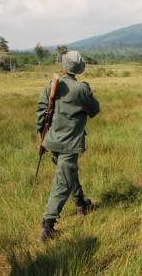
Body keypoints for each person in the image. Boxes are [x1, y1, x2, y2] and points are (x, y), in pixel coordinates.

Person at [36, 50, 100, 242]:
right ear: (78, 69)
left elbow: (42, 112)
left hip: (52, 141)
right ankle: (47, 227)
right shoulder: (81, 88)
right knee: (62, 183)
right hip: (69, 143)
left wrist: (42, 138)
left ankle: (81, 204)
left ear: (63, 67)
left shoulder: (51, 85)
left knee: (68, 173)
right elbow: (94, 110)